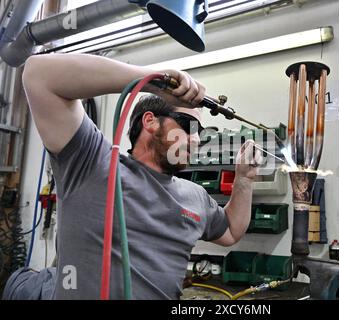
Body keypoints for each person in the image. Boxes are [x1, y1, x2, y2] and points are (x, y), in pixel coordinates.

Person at [20, 53, 259, 299]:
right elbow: (38, 74)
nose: (196, 140)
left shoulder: (195, 196)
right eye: (189, 126)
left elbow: (231, 232)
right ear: (150, 122)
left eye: (201, 132)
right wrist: (153, 81)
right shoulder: (92, 163)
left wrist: (244, 178)